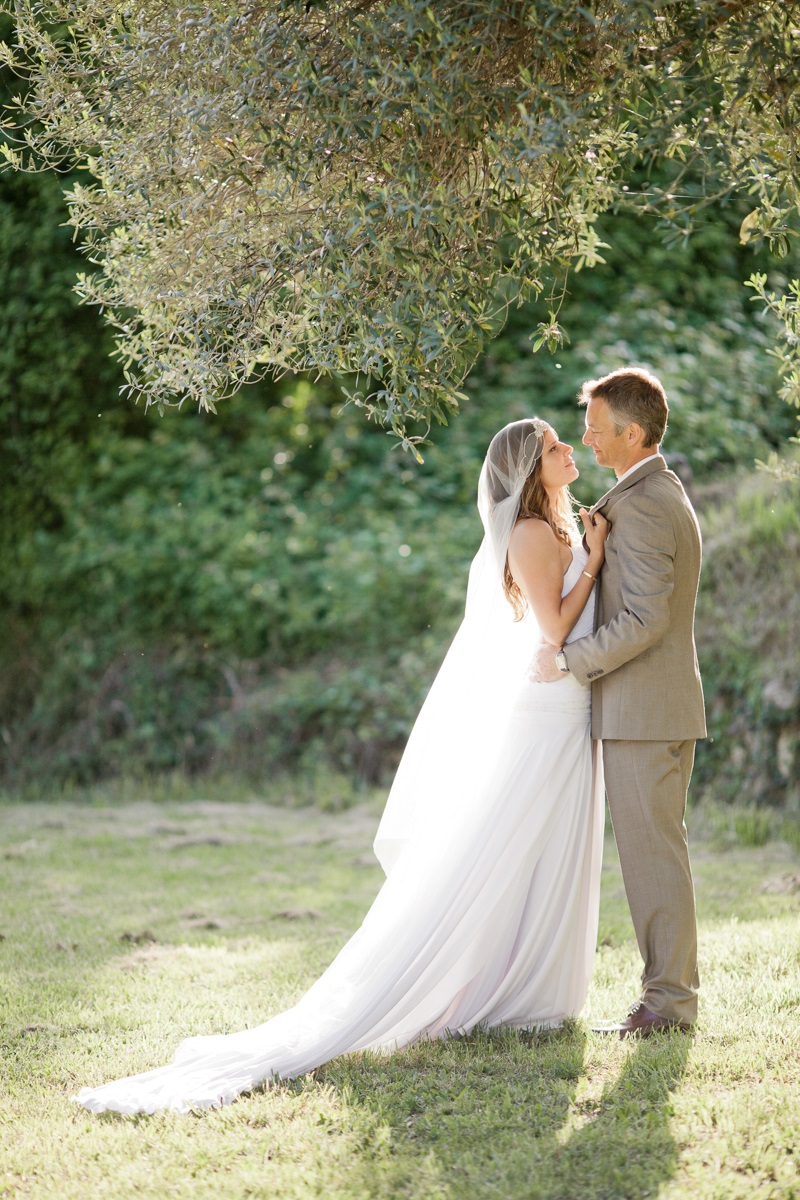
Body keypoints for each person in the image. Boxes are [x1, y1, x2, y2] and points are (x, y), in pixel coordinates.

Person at [74, 417, 609, 1116]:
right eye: (554, 448)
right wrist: (593, 560)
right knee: (501, 853)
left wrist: (592, 546)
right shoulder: (534, 535)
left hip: (571, 712)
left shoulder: (566, 526)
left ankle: (528, 993)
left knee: (548, 855)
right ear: (530, 471)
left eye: (565, 443)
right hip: (546, 719)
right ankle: (482, 990)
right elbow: (554, 628)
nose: (569, 450)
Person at [533, 368, 706, 1037]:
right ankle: (668, 999)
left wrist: (569, 661)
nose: (586, 439)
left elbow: (645, 620)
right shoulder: (650, 493)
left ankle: (668, 1006)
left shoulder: (647, 503)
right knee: (655, 854)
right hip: (649, 710)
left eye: (596, 429)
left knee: (653, 858)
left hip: (645, 714)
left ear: (632, 433)